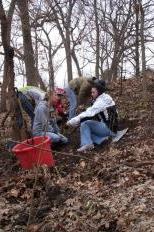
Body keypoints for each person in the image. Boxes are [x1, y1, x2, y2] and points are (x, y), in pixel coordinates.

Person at [67, 80, 118, 152]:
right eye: (91, 92)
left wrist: (73, 121)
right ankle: (102, 139)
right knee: (86, 131)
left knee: (85, 124)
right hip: (112, 127)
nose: (92, 94)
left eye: (93, 92)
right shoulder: (105, 98)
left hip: (109, 128)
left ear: (99, 92)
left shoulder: (101, 101)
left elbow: (89, 112)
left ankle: (87, 144)